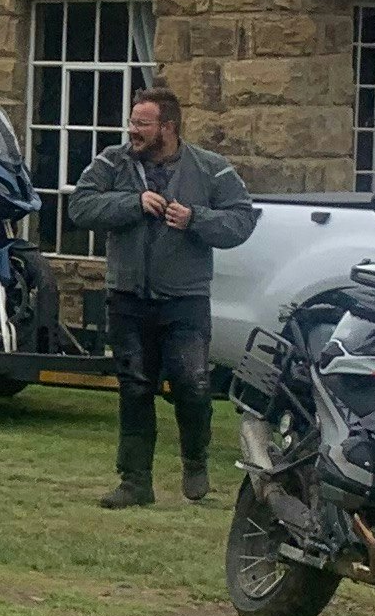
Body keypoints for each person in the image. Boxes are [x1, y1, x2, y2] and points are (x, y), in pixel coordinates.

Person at [60, 84, 256, 507]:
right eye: (132, 122)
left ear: (168, 127)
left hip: (185, 299)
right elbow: (80, 207)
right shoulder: (112, 162)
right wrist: (132, 203)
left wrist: (195, 218)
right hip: (127, 298)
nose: (132, 131)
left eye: (142, 124)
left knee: (192, 385)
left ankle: (195, 462)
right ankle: (135, 483)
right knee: (134, 388)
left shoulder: (211, 168)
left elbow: (243, 220)